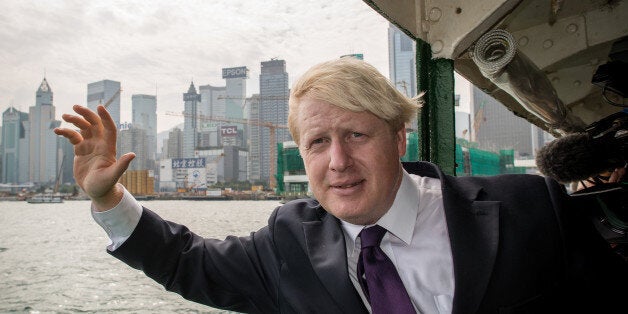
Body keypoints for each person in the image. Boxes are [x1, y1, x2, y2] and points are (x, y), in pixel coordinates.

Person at [54, 57, 626, 313]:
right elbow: (187, 262)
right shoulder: (287, 242)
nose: (338, 161)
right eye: (318, 143)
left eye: (357, 134)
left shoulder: (531, 209)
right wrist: (107, 198)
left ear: (399, 138)